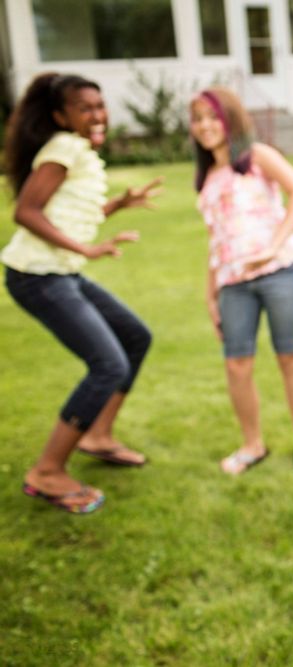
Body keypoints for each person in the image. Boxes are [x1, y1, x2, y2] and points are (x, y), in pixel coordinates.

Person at [2, 72, 162, 514]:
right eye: (84, 108)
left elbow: (68, 209)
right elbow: (27, 212)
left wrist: (117, 205)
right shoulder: (64, 148)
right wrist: (86, 249)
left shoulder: (77, 150)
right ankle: (48, 471)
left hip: (61, 273)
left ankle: (97, 435)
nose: (97, 115)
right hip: (37, 275)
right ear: (60, 116)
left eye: (99, 105)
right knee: (108, 364)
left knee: (135, 337)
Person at [189, 87, 293, 477]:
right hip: (232, 283)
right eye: (197, 119)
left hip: (281, 272)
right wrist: (210, 292)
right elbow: (216, 238)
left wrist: (274, 245)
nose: (205, 126)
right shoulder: (206, 178)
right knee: (237, 365)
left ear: (229, 118)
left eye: (212, 116)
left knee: (290, 357)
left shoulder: (256, 157)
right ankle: (252, 444)